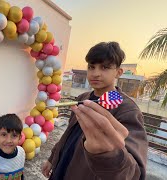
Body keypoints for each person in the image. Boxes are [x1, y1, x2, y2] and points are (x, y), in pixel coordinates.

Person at [42, 42, 148, 180]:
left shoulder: (128, 110)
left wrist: (110, 155)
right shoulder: (82, 98)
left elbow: (134, 174)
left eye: (104, 67)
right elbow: (69, 134)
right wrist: (53, 158)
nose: (95, 73)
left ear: (118, 72)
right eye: (91, 67)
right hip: (61, 169)